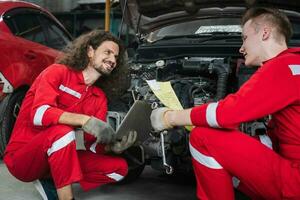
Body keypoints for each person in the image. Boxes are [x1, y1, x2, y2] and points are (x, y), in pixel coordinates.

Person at [150, 7, 300, 200]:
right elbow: (281, 134)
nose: (241, 48)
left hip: (295, 182)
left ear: (265, 33)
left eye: (245, 38)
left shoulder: (281, 67)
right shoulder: (295, 64)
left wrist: (169, 117)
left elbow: (225, 114)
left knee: (202, 137)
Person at [3, 30, 137, 200]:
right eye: (108, 52)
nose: (112, 60)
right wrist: (84, 120)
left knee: (119, 168)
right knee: (62, 132)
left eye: (116, 57)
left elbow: (91, 146)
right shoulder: (57, 72)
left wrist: (111, 148)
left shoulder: (99, 97)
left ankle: (53, 178)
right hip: (23, 158)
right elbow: (39, 114)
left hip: (58, 155)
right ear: (90, 51)